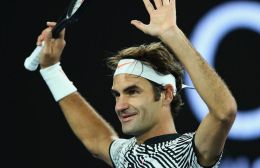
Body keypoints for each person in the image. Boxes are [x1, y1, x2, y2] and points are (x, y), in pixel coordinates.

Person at [36, 0, 237, 167]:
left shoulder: (189, 151)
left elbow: (224, 113)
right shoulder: (126, 154)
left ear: (167, 94)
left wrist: (171, 34)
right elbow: (97, 140)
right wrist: (51, 70)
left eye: (132, 91)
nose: (120, 105)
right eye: (117, 94)